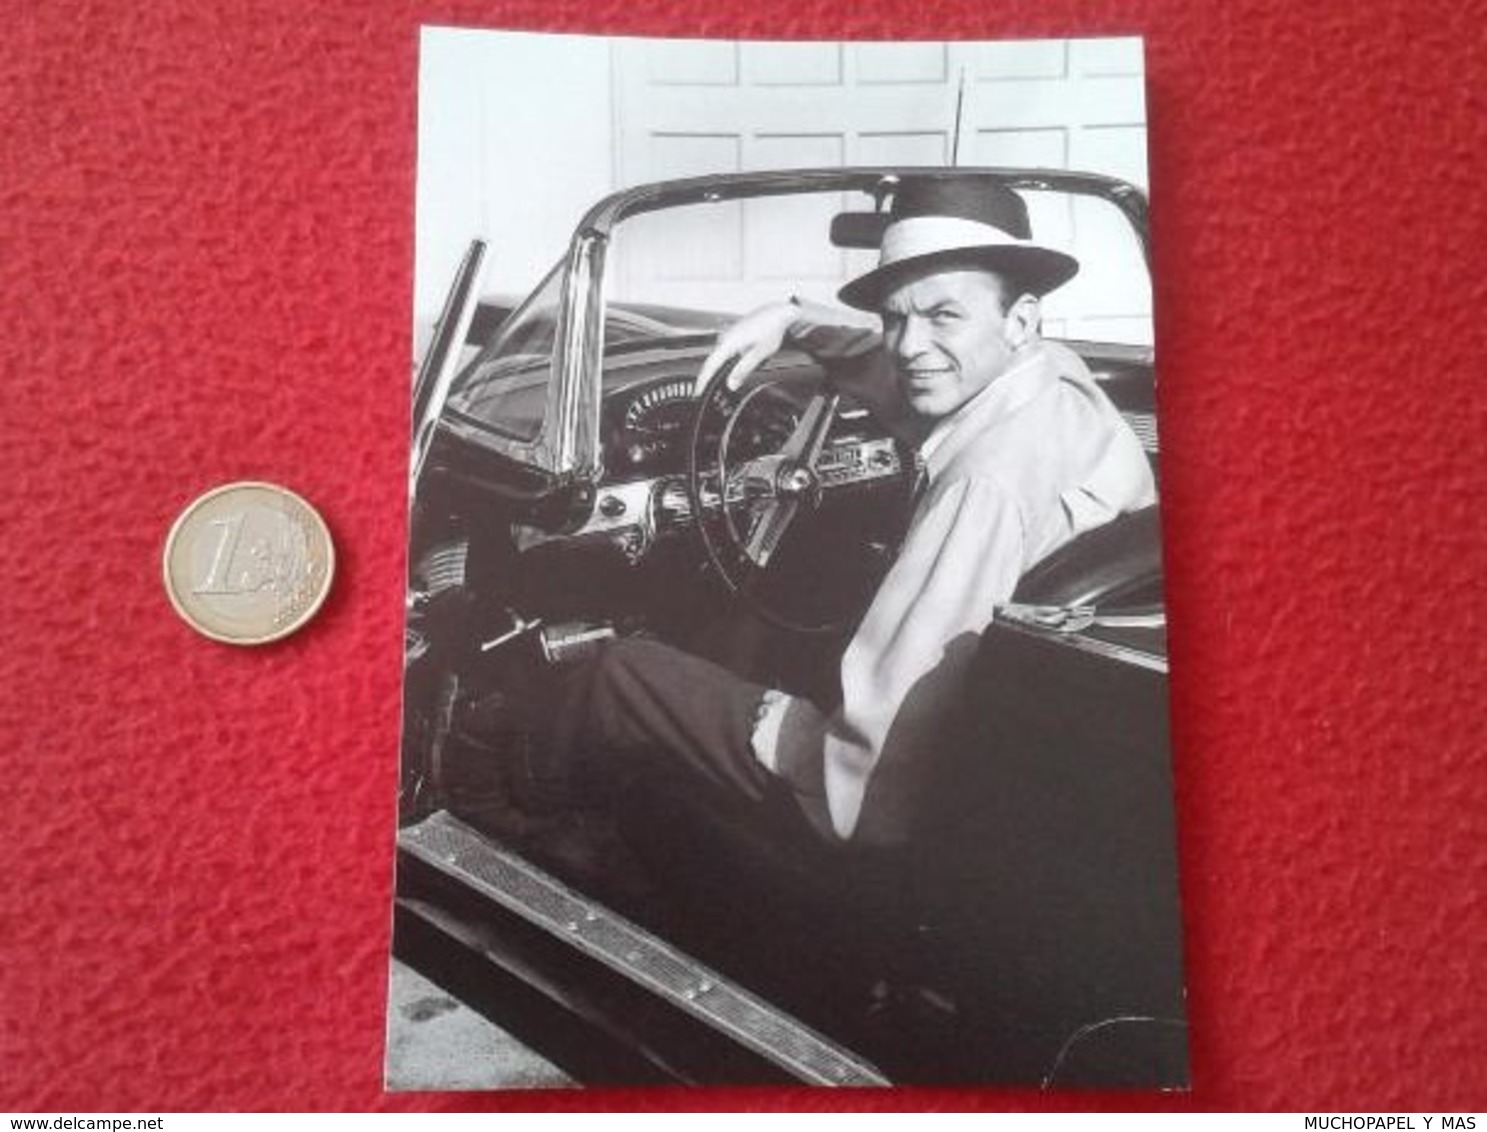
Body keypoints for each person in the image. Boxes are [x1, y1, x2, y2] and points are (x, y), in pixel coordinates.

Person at [558, 178, 1155, 847]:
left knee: (616, 673)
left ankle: (541, 844)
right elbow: (897, 366)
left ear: (1018, 319)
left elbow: (871, 767)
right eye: (895, 318)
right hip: (1040, 735)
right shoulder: (1048, 377)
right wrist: (793, 317)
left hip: (891, 805)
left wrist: (788, 739)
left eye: (942, 316)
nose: (906, 346)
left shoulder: (981, 487)